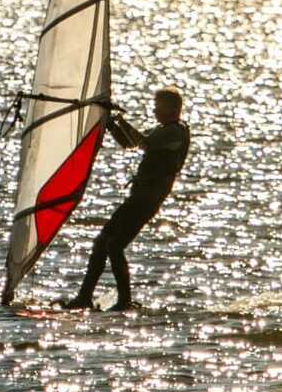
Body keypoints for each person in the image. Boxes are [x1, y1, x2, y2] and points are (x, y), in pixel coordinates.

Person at [64, 87, 191, 312]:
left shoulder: (176, 131)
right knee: (103, 242)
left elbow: (144, 143)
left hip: (147, 200)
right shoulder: (163, 130)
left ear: (172, 109)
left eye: (158, 106)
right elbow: (129, 143)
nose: (154, 110)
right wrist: (111, 123)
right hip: (139, 198)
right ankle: (85, 297)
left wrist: (120, 119)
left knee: (114, 244)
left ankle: (124, 301)